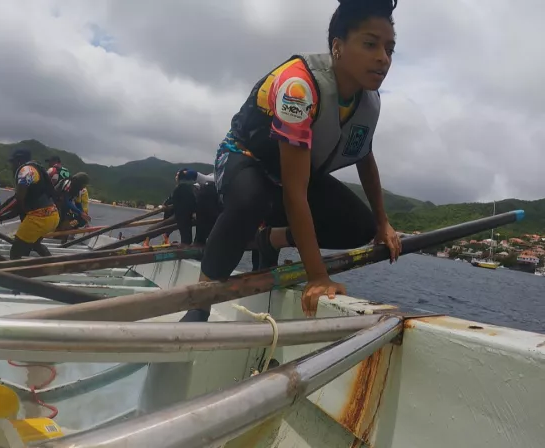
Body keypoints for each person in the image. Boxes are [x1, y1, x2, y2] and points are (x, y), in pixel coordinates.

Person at [182, 0, 402, 322]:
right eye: (370, 44)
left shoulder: (368, 100)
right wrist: (317, 276)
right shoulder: (299, 88)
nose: (383, 58)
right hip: (245, 158)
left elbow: (364, 156)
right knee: (249, 201)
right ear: (337, 47)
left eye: (390, 48)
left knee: (361, 228)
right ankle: (200, 301)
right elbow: (295, 194)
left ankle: (268, 239)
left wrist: (383, 223)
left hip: (292, 176)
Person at [3, 149, 60, 259]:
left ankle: (18, 275)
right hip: (52, 216)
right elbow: (15, 199)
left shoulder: (25, 171)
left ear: (19, 161)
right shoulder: (35, 169)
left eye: (13, 163)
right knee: (35, 244)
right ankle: (51, 263)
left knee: (15, 252)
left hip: (39, 218)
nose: (11, 167)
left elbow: (18, 203)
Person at [168, 168, 220, 247]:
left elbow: (210, 180)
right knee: (182, 190)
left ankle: (198, 241)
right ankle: (187, 240)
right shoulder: (214, 174)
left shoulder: (228, 174)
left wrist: (194, 174)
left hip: (222, 205)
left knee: (206, 190)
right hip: (210, 206)